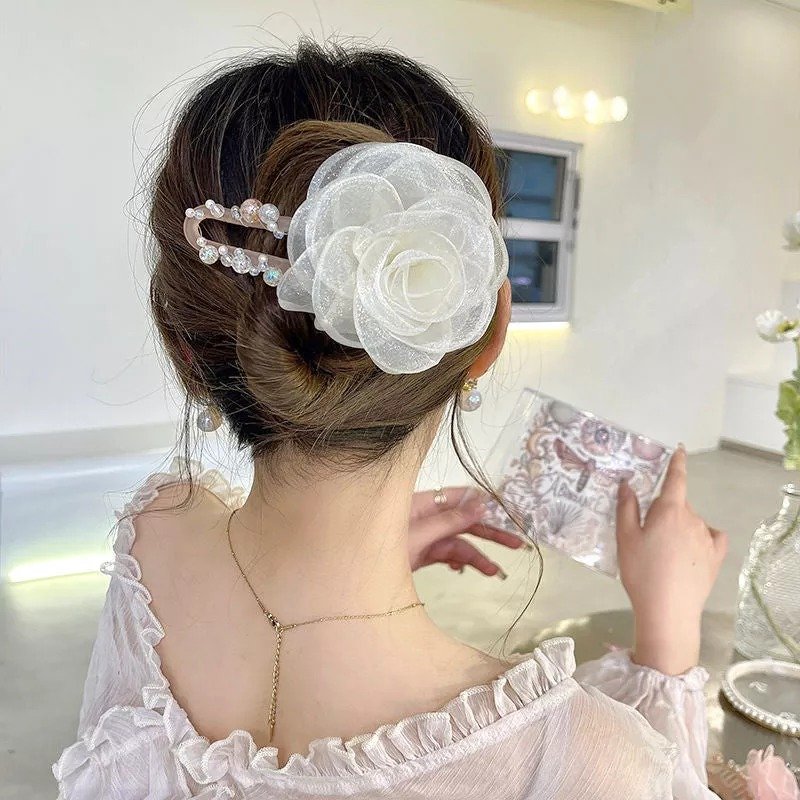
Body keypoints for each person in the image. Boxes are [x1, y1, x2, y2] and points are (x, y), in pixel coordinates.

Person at [53, 42, 727, 799]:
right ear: (490, 336)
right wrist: (669, 642)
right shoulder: (581, 760)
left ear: (183, 349)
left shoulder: (154, 540)